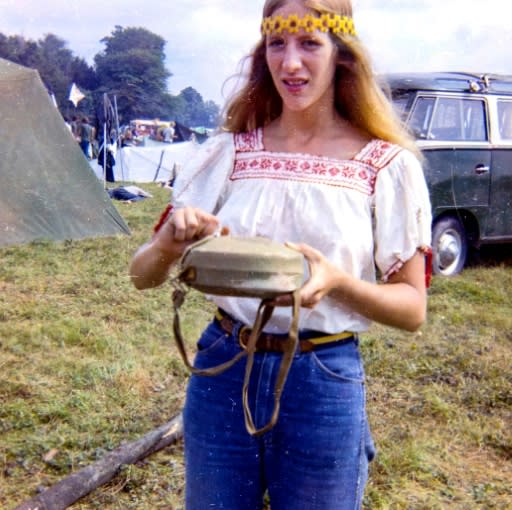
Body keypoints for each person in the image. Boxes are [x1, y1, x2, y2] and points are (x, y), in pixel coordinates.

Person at [129, 0, 432, 508]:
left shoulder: (384, 166)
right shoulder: (230, 153)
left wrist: (338, 282)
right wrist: (167, 244)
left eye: (310, 43)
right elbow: (142, 276)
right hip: (223, 368)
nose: (291, 63)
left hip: (323, 379)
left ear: (342, 55)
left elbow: (412, 309)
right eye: (277, 43)